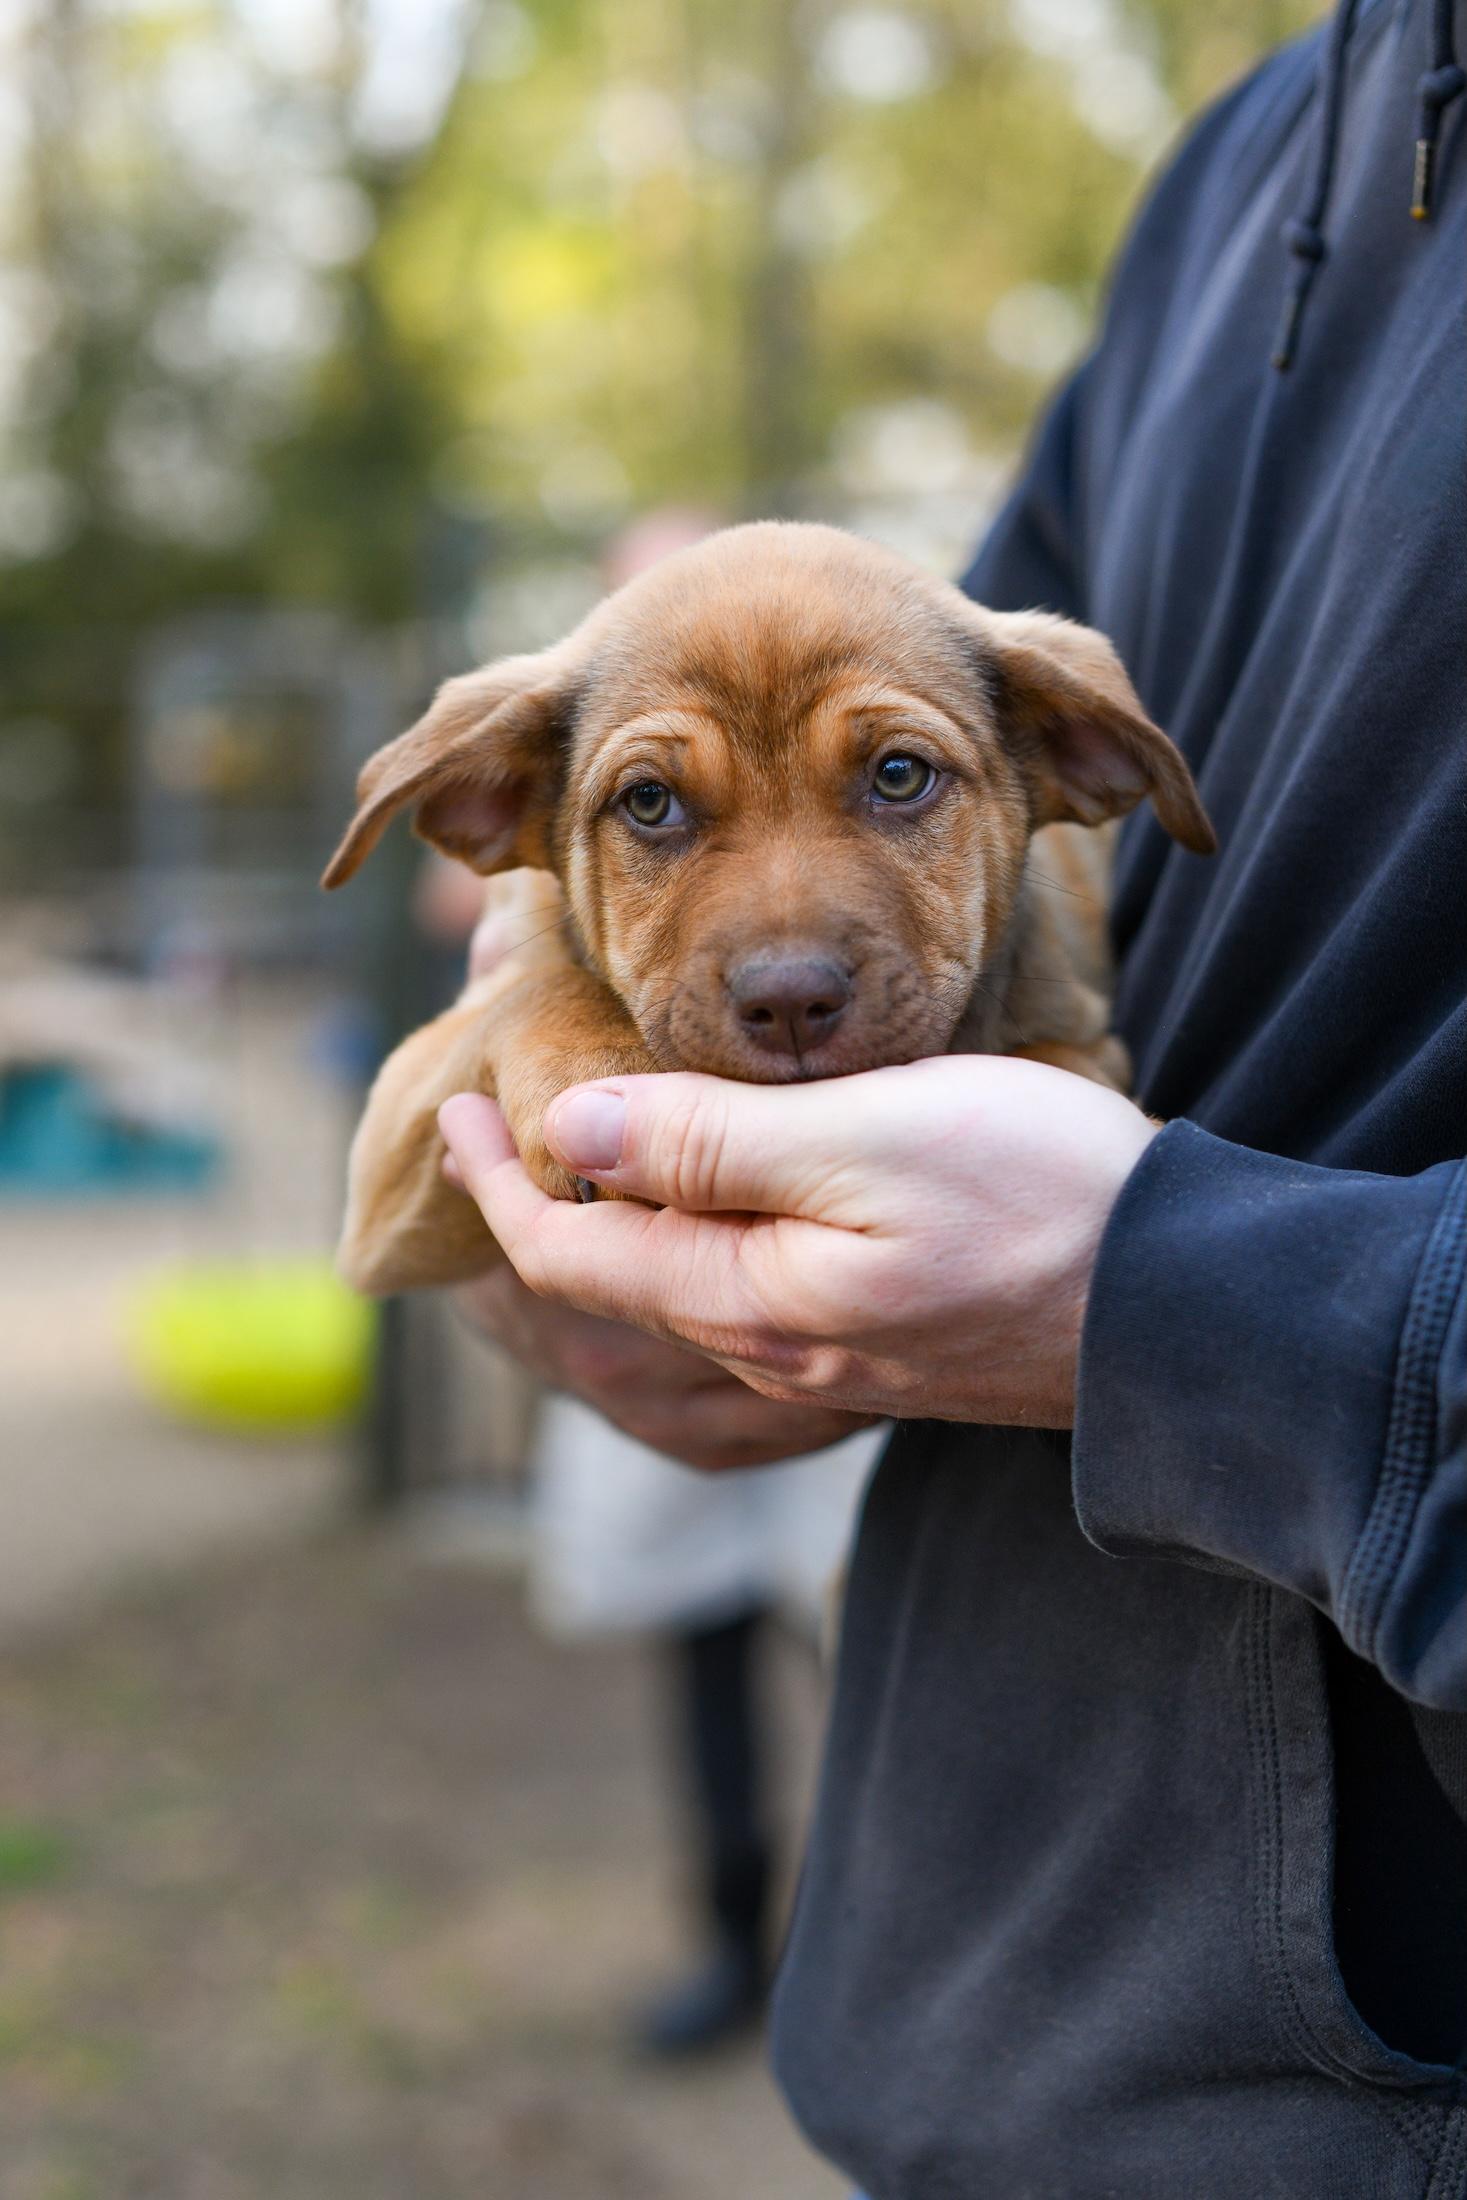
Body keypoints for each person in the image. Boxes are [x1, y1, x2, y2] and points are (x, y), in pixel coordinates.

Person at [445, 1, 1466, 2189]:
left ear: (1101, 762)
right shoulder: (1251, 164)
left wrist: (1178, 1303)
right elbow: (891, 654)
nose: (788, 948)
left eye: (890, 788)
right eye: (664, 813)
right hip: (972, 2019)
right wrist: (545, 1122)